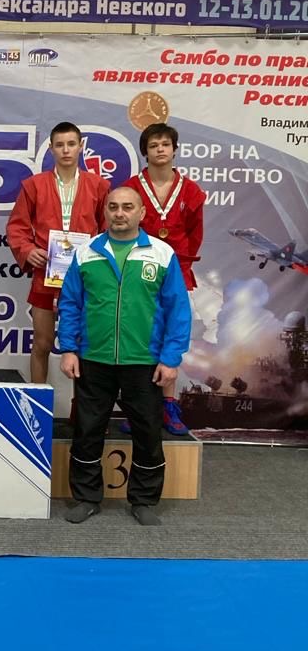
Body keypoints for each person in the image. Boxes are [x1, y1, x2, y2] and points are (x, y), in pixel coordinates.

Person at [58, 186, 191, 526]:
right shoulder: (87, 252)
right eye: (113, 207)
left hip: (144, 361)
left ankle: (143, 500)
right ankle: (86, 498)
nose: (119, 213)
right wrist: (69, 348)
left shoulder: (162, 254)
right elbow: (70, 303)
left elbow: (178, 309)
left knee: (147, 432)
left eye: (127, 207)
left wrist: (171, 358)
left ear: (142, 212)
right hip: (93, 358)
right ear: (105, 211)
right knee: (87, 431)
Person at [6, 122, 109, 383]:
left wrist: (98, 260)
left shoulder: (98, 186)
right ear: (51, 148)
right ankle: (38, 400)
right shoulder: (34, 185)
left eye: (71, 144)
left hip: (85, 276)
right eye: (60, 145)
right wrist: (28, 250)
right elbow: (17, 226)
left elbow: (107, 230)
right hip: (46, 274)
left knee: (84, 346)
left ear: (80, 146)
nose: (66, 150)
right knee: (42, 342)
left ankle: (81, 406)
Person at [121, 122, 205, 434]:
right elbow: (121, 227)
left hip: (176, 270)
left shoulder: (191, 190)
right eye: (154, 145)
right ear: (145, 151)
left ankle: (168, 405)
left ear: (174, 149)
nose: (160, 149)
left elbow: (195, 234)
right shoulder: (131, 186)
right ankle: (139, 407)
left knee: (171, 336)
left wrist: (177, 265)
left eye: (165, 144)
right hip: (138, 270)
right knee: (139, 338)